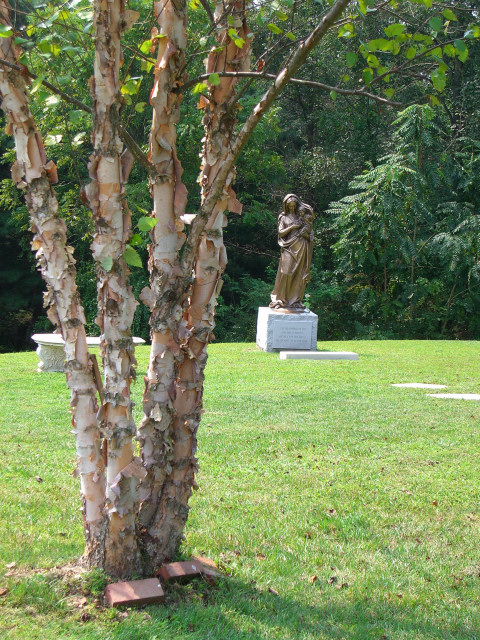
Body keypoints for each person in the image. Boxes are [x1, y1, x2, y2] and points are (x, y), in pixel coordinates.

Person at [269, 194, 314, 311]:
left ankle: (294, 300)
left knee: (299, 274)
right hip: (289, 247)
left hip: (301, 246)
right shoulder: (283, 217)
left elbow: (310, 231)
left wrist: (306, 234)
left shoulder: (302, 215)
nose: (292, 209)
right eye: (290, 206)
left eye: (294, 206)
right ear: (286, 206)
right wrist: (293, 227)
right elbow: (281, 233)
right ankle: (281, 299)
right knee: (286, 272)